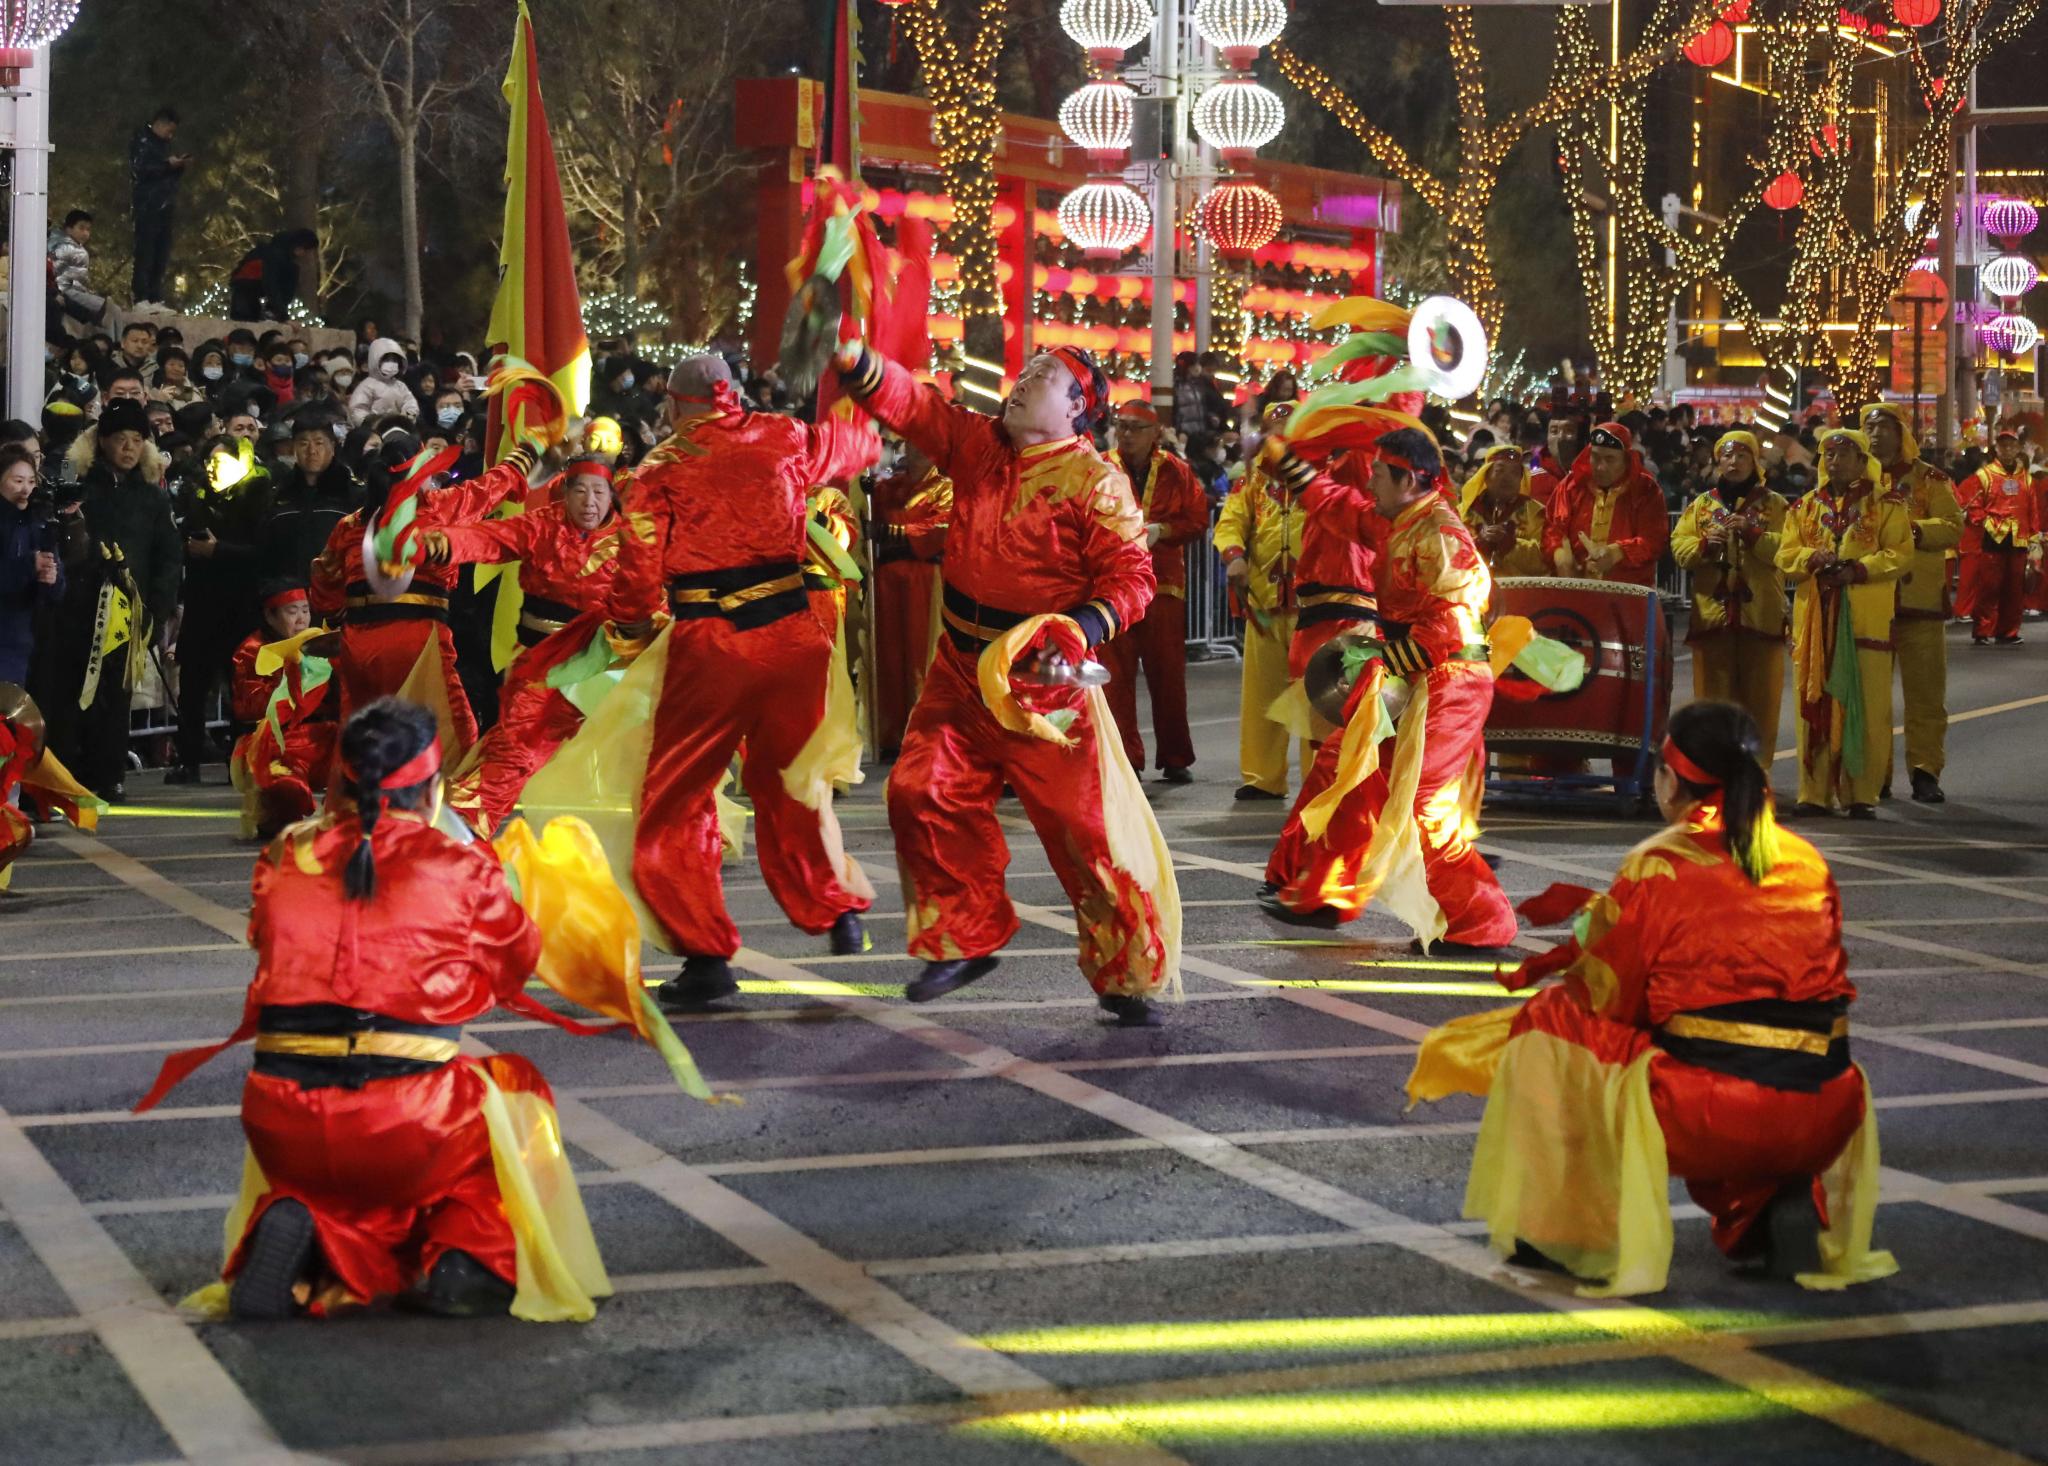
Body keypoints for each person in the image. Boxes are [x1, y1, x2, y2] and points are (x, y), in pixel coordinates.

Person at [134, 698, 612, 1321]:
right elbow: (512, 966)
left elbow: (270, 944)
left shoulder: (285, 854)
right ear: (434, 791)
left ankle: (314, 1239)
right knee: (509, 1092)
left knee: (356, 1128)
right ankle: (469, 1260)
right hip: (408, 1122)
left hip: (281, 1120)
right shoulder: (463, 865)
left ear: (338, 782)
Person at [1410, 700, 1895, 1297]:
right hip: (1829, 1104)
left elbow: (1614, 997)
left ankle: (1562, 1229)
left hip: (1705, 1111)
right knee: (1733, 1043)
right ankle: (1767, 1205)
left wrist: (1597, 935)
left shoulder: (1659, 865)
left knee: (1554, 1020)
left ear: (1671, 780)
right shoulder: (1807, 860)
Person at [836, 340, 1176, 1023]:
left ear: (1078, 409)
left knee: (1085, 837)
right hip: (960, 669)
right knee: (917, 788)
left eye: (1043, 377)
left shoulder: (1096, 482)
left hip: (1041, 686)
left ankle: (1128, 970)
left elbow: (1134, 581)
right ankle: (965, 935)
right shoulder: (978, 444)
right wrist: (855, 359)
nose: (1022, 383)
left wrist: (1077, 630)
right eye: (1024, 372)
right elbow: (911, 405)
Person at [607, 353, 880, 1006]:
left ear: (677, 404)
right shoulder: (784, 435)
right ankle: (836, 905)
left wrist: (631, 632)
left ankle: (705, 955)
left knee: (677, 796)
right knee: (793, 778)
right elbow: (858, 441)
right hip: (794, 636)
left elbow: (637, 573)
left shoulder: (661, 468)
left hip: (713, 643)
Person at [1258, 425, 1517, 952]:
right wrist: (1287, 463)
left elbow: (1449, 625)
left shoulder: (1441, 535)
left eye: (1378, 472)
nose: (1369, 479)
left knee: (1421, 802)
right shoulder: (1393, 520)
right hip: (1412, 673)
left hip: (1451, 682)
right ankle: (1325, 892)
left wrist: (1378, 662)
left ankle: (1482, 920)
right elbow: (1336, 505)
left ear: (1409, 479)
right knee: (1344, 767)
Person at [423, 458, 620, 834]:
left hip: (604, 666)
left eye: (599, 492)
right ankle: (463, 825)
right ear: (565, 493)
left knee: (650, 742)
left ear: (612, 497)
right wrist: (445, 542)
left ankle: (688, 831)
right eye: (581, 491)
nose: (590, 502)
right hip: (542, 666)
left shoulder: (630, 540)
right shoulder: (542, 525)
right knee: (516, 746)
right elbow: (489, 538)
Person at [310, 433, 534, 755]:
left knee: (365, 736)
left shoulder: (349, 525)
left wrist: (337, 620)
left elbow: (324, 580)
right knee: (450, 734)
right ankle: (444, 804)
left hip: (358, 645)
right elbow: (489, 489)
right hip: (418, 640)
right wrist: (529, 450)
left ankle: (365, 804)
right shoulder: (436, 509)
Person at [43, 400, 182, 799]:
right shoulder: (75, 480)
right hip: (76, 607)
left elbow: (168, 556)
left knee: (114, 697)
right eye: (120, 439)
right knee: (70, 692)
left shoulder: (153, 497)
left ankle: (108, 775)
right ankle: (65, 776)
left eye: (137, 440)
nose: (129, 448)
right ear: (101, 441)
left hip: (128, 612)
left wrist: (157, 609)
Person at [1777, 429, 1911, 819]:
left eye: (1844, 453)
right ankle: (1813, 793)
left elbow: (1900, 554)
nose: (1834, 460)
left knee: (1867, 711)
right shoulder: (1803, 508)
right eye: (1829, 454)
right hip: (1815, 622)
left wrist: (1859, 569)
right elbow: (1786, 554)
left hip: (1866, 622)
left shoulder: (1887, 505)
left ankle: (1860, 795)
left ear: (1861, 458)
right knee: (1813, 702)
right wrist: (1810, 559)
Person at [1101, 401, 1208, 784]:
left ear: (1155, 433)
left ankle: (1175, 754)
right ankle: (1126, 756)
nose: (1126, 434)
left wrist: (1164, 530)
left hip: (1164, 586)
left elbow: (1197, 519)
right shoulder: (1100, 466)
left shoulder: (1177, 471)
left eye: (1135, 427)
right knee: (1115, 676)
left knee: (1168, 676)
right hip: (1112, 587)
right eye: (1121, 426)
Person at [1858, 404, 1960, 804]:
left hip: (1920, 602)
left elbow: (1953, 526)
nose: (1877, 434)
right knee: (1871, 696)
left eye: (1885, 427)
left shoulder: (1931, 480)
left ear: (1902, 432)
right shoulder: (1857, 483)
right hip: (1870, 602)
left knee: (1926, 695)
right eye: (1870, 427)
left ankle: (1925, 770)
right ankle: (1875, 773)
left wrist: (1913, 529)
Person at [1670, 432, 1788, 762]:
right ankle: (1713, 771)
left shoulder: (1775, 505)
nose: (1733, 462)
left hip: (1761, 618)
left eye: (1742, 456)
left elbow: (1788, 550)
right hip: (1712, 619)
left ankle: (1756, 772)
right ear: (1717, 461)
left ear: (1755, 462)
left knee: (1761, 704)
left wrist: (1754, 536)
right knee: (1712, 705)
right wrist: (1705, 546)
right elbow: (1680, 548)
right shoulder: (1701, 506)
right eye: (1727, 456)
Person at [1213, 402, 1306, 801]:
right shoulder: (1251, 484)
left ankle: (1324, 778)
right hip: (1265, 602)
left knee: (1316, 696)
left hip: (1313, 608)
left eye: (1288, 427)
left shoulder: (1322, 480)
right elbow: (1230, 523)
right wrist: (1234, 557)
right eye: (1273, 428)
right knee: (1262, 696)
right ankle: (1262, 777)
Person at [169, 431, 273, 782]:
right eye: (210, 462)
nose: (214, 469)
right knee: (193, 687)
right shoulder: (196, 498)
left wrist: (219, 551)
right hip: (202, 606)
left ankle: (240, 759)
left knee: (242, 689)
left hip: (240, 608)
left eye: (222, 462)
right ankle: (188, 759)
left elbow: (262, 553)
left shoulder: (258, 497)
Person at [228, 580, 335, 837]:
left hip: (318, 736)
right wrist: (290, 675)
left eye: (305, 610)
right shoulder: (252, 651)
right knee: (287, 789)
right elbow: (248, 708)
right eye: (292, 611)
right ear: (270, 616)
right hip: (272, 743)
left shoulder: (320, 644)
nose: (301, 619)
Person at [867, 441, 952, 757]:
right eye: (912, 445)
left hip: (924, 579)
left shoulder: (945, 488)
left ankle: (922, 733)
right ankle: (890, 733)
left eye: (923, 445)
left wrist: (892, 532)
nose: (917, 451)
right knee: (889, 656)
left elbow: (942, 527)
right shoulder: (887, 487)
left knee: (920, 653)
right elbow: (864, 517)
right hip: (887, 578)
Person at [1543, 422, 1670, 585]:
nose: (1600, 467)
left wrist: (1617, 552)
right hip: (1576, 591)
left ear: (1626, 460)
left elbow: (1654, 539)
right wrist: (1561, 556)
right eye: (1595, 457)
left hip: (1628, 595)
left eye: (1610, 459)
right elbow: (1552, 528)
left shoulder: (1646, 490)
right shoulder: (1571, 486)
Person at [1958, 427, 2029, 646]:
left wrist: (2034, 536)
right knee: (1989, 586)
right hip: (1994, 537)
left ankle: (2008, 631)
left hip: (2018, 538)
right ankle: (1983, 629)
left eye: (2011, 445)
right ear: (1996, 448)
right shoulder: (1985, 475)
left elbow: (2032, 507)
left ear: (2017, 448)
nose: (2007, 449)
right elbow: (1973, 506)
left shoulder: (2024, 477)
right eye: (2003, 445)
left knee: (2014, 588)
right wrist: (1988, 523)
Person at [0, 445, 65, 685]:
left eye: (30, 481)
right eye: (17, 480)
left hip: (24, 641)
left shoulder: (39, 523)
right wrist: (29, 565)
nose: (25, 489)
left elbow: (56, 588)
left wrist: (51, 579)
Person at [1459, 443, 1548, 579]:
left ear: (1520, 479)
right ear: (1486, 476)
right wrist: (1478, 543)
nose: (1507, 478)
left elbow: (1545, 558)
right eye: (1500, 470)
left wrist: (1511, 544)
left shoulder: (1536, 512)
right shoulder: (1463, 512)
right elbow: (1449, 553)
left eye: (1514, 473)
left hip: (1519, 594)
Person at [129, 107, 188, 306]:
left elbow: (166, 173)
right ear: (159, 123)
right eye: (169, 130)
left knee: (161, 252)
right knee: (146, 250)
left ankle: (155, 296)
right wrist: (167, 165)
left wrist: (178, 167)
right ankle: (141, 296)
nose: (170, 135)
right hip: (148, 204)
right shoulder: (143, 141)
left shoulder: (165, 145)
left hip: (165, 203)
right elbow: (140, 170)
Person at [229, 230, 319, 323]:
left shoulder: (287, 262)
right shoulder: (274, 256)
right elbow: (271, 285)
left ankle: (271, 312)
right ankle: (271, 313)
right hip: (245, 290)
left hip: (250, 291)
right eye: (306, 251)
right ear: (299, 247)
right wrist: (283, 315)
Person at [46, 210, 107, 332]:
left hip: (72, 290)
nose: (85, 233)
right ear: (68, 229)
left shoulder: (76, 248)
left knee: (109, 309)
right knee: (105, 308)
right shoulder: (64, 247)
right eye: (81, 228)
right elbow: (55, 276)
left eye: (88, 229)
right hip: (65, 291)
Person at [348, 339, 417, 426]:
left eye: (394, 360)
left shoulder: (400, 386)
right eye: (387, 360)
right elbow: (357, 410)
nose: (391, 364)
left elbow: (410, 403)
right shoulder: (366, 385)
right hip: (375, 432)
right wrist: (374, 424)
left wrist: (406, 418)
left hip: (399, 429)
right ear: (375, 360)